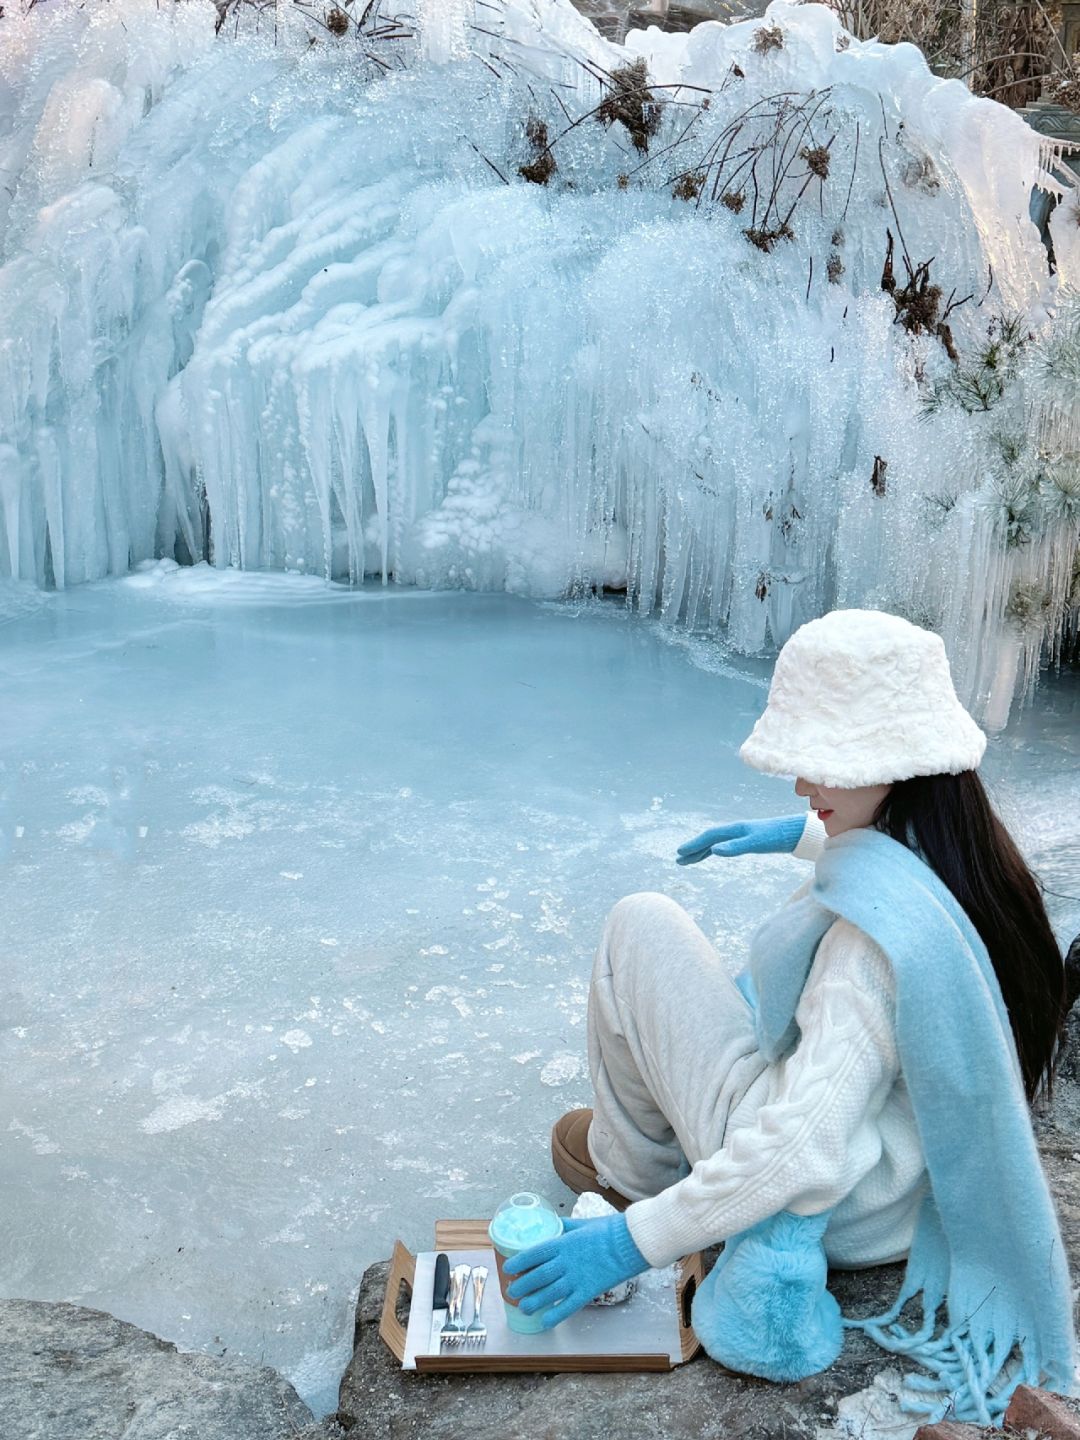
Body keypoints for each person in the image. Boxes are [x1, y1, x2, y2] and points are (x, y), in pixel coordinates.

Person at [502, 608, 1077, 1424]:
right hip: (906, 1191)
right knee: (736, 989)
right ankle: (656, 1168)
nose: (802, 785)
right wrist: (812, 839)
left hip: (831, 1207)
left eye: (822, 766)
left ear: (893, 765)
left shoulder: (866, 953)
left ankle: (633, 1172)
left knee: (641, 925)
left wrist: (631, 1244)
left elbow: (797, 1146)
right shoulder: (973, 865)